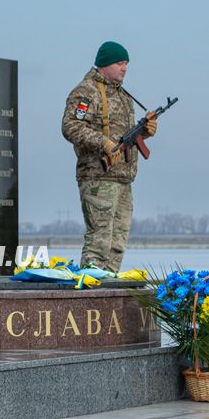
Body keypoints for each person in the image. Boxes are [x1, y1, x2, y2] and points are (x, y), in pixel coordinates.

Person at [60, 41, 158, 273]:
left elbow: (123, 136)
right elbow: (70, 126)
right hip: (98, 176)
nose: (124, 68)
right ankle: (91, 298)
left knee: (117, 245)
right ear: (104, 64)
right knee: (99, 242)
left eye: (126, 64)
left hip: (123, 177)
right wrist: (102, 142)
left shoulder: (123, 95)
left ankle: (109, 293)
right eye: (119, 63)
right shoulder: (86, 92)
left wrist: (145, 131)